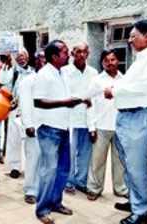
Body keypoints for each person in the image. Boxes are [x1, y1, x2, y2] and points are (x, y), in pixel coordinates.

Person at [104, 19, 147, 224]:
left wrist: (114, 90)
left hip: (141, 115)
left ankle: (141, 212)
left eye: (133, 36)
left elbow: (144, 86)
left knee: (137, 165)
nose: (130, 40)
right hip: (128, 116)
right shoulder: (142, 58)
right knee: (128, 163)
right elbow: (129, 82)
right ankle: (135, 200)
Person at [33, 40, 85, 224]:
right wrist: (65, 103)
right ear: (54, 56)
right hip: (48, 129)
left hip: (63, 128)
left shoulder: (62, 72)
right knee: (49, 170)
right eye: (64, 52)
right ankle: (42, 209)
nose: (68, 53)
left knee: (63, 169)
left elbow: (64, 97)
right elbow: (38, 102)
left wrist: (79, 100)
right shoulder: (44, 74)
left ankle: (56, 202)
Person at [85, 49, 128, 201]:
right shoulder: (97, 80)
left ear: (118, 61)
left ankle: (120, 188)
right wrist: (91, 127)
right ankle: (94, 188)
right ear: (102, 63)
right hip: (101, 127)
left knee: (120, 161)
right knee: (97, 161)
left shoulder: (124, 80)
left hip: (120, 127)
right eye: (106, 60)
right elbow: (88, 103)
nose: (110, 63)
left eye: (113, 59)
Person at [62, 42, 98, 194]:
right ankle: (68, 181)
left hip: (87, 119)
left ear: (88, 54)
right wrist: (83, 99)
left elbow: (95, 98)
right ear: (72, 54)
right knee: (69, 152)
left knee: (85, 153)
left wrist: (93, 125)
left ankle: (81, 181)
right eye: (78, 52)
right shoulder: (64, 71)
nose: (82, 55)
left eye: (85, 52)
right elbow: (64, 94)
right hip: (70, 118)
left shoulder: (93, 72)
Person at [0, 48, 35, 179]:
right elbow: (2, 81)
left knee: (28, 139)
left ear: (28, 57)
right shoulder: (12, 72)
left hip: (28, 110)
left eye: (23, 55)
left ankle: (29, 167)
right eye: (18, 56)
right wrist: (7, 64)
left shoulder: (33, 72)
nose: (21, 58)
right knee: (13, 139)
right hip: (14, 109)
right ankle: (14, 167)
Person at [19, 72, 40, 204]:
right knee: (33, 158)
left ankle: (44, 189)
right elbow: (25, 103)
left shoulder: (57, 76)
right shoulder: (29, 80)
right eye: (41, 58)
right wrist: (28, 124)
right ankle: (31, 190)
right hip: (34, 125)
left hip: (51, 125)